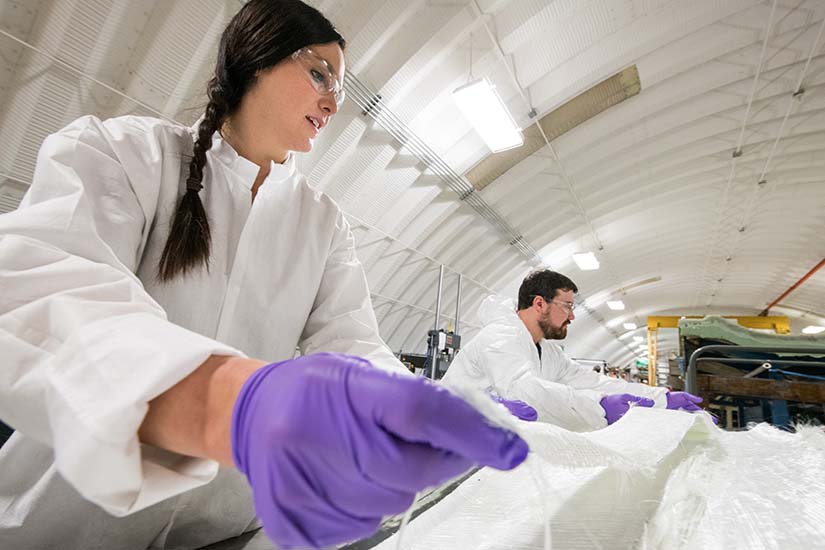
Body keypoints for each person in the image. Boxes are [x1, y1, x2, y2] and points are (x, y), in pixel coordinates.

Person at [0, 2, 529, 549]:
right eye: (319, 73)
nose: (331, 101)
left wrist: (405, 409)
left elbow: (350, 345)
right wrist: (226, 402)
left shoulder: (321, 223)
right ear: (256, 59)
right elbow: (45, 289)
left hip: (227, 527)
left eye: (340, 92)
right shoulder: (127, 155)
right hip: (73, 524)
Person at [441, 269, 704, 431]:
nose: (573, 316)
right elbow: (524, 391)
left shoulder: (547, 351)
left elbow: (590, 380)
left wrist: (661, 398)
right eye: (567, 306)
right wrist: (597, 406)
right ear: (540, 304)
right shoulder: (500, 338)